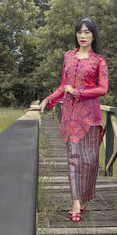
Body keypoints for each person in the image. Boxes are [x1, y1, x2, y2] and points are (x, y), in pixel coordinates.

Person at [39, 17, 108, 222]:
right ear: (75, 34)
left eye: (87, 32)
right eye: (80, 32)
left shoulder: (99, 60)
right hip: (70, 116)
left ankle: (85, 198)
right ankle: (76, 203)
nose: (83, 36)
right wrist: (48, 101)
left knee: (90, 161)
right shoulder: (68, 56)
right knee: (74, 160)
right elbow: (63, 86)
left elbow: (103, 89)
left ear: (93, 35)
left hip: (90, 117)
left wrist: (77, 91)